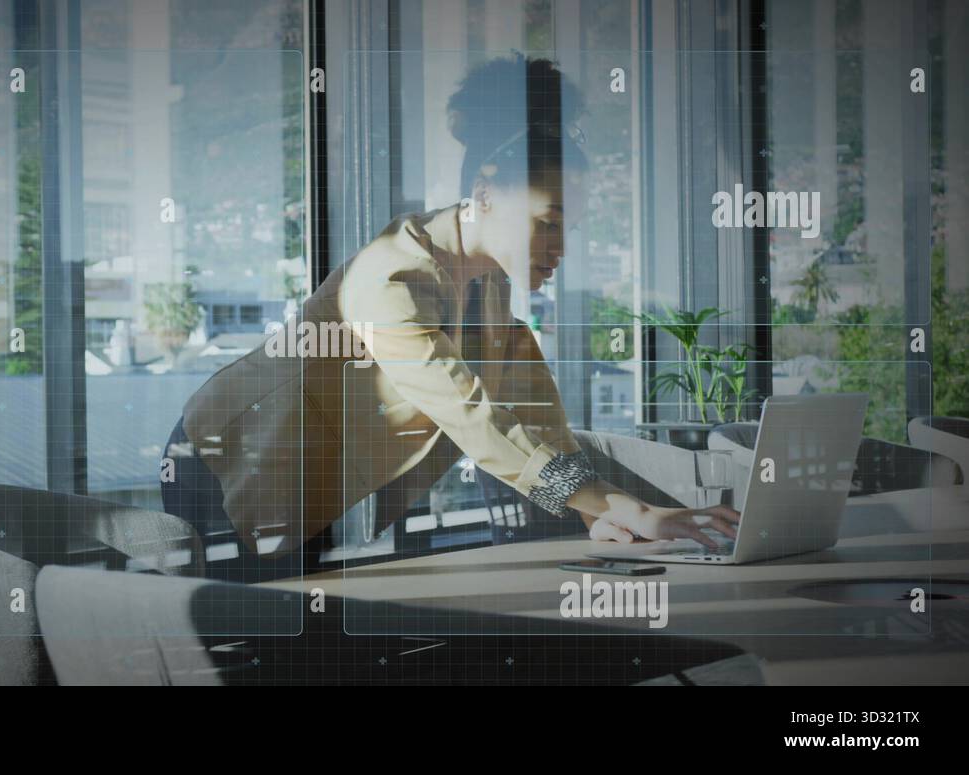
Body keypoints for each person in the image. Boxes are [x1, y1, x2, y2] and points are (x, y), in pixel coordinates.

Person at [161, 55, 739, 584]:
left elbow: (534, 412)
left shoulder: (485, 283)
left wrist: (595, 510)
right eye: (548, 222)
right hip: (223, 463)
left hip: (306, 483)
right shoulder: (393, 278)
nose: (560, 247)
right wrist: (626, 507)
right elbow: (473, 418)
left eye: (572, 228)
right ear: (485, 192)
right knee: (268, 644)